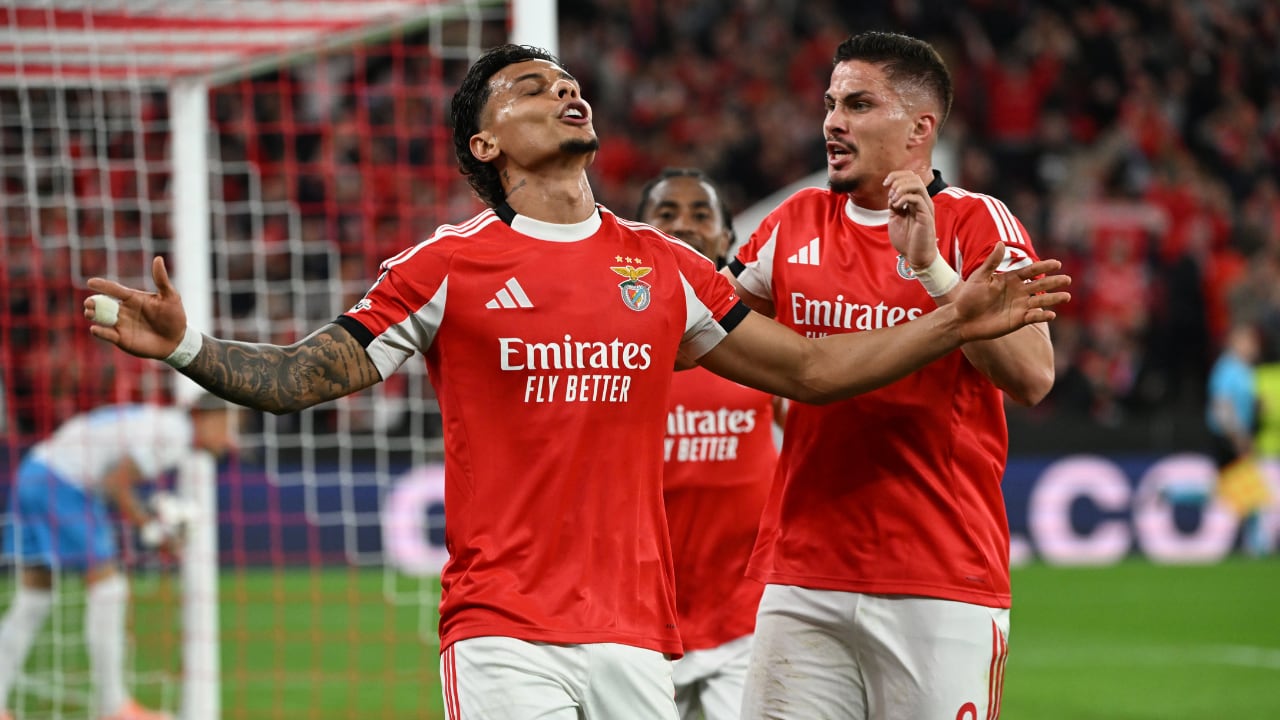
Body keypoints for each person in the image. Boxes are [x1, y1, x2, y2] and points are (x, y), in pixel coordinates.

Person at [83, 44, 1069, 719]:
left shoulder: (666, 267)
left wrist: (949, 316)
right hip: (503, 628)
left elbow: (811, 371)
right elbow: (303, 373)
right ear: (483, 144)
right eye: (526, 88)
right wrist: (187, 348)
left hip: (636, 636)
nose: (562, 91)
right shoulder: (445, 268)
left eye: (564, 81)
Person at [725, 31, 1056, 719]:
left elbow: (1032, 377)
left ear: (919, 127)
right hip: (802, 574)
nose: (833, 121)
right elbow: (702, 333)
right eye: (830, 103)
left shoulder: (976, 221)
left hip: (938, 575)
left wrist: (934, 270)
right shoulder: (790, 224)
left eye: (859, 103)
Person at [638, 168, 781, 720]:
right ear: (639, 230)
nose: (683, 225)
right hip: (639, 623)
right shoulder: (612, 338)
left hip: (742, 621)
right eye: (666, 213)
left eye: (702, 215)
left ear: (727, 240)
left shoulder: (760, 338)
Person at [0, 396, 239, 720]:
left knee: (33, 600)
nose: (228, 438)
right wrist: (154, 529)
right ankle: (113, 707)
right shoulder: (175, 432)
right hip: (62, 483)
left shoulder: (158, 422)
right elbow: (116, 483)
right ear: (200, 416)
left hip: (33, 472)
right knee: (110, 589)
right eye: (224, 425)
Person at [1205, 323, 1270, 555]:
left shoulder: (1243, 370)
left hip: (1234, 437)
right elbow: (1222, 408)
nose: (1253, 347)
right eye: (1248, 341)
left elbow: (1241, 403)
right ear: (1234, 342)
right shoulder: (1227, 369)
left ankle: (1173, 494)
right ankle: (1257, 548)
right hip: (1227, 439)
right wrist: (1239, 439)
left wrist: (1257, 407)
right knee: (1250, 495)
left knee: (1232, 494)